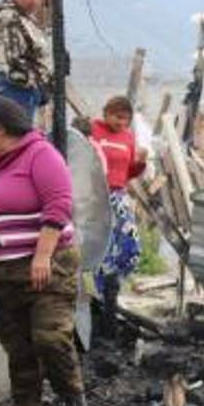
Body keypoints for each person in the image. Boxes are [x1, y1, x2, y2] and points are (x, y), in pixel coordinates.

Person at [0, 94, 88, 406]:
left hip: (47, 263)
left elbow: (58, 203)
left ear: (1, 127)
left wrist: (42, 256)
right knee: (18, 347)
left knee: (49, 337)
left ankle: (74, 401)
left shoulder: (41, 153)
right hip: (2, 269)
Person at [87, 95, 147, 334]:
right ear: (106, 113)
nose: (121, 122)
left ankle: (112, 285)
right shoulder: (92, 131)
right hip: (95, 197)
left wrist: (140, 163)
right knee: (101, 248)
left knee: (129, 246)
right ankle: (101, 295)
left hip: (119, 196)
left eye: (126, 119)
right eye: (117, 117)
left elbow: (128, 171)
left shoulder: (128, 138)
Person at [0, 0, 51, 122]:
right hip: (16, 88)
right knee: (16, 137)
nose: (35, 1)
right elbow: (13, 61)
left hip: (27, 90)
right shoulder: (9, 18)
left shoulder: (27, 19)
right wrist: (37, 81)